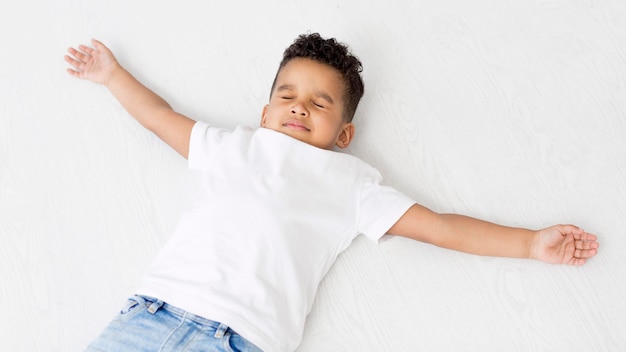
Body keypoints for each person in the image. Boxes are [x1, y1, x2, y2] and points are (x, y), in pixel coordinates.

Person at [65, 33, 599, 352]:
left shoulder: (351, 183)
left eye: (320, 104)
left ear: (343, 135)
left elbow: (439, 227)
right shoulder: (232, 146)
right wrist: (112, 75)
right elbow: (160, 119)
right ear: (265, 113)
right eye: (288, 95)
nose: (300, 107)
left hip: (242, 340)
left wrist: (530, 243)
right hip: (151, 314)